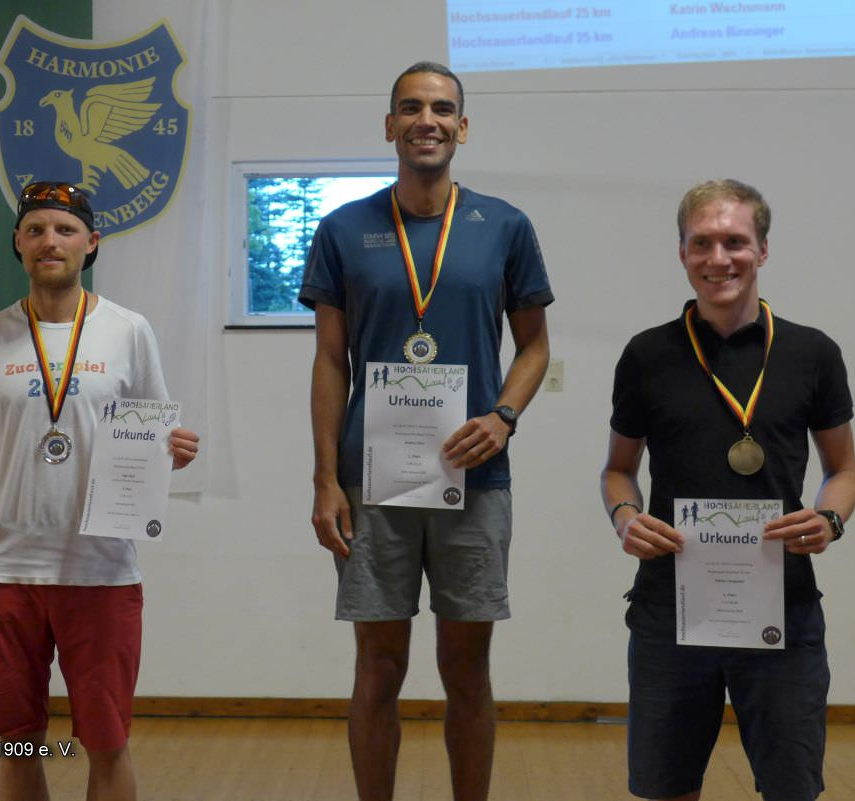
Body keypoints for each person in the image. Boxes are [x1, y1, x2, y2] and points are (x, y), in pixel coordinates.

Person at [299, 61, 553, 801]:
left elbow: (535, 347)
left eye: (442, 109)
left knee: (466, 668)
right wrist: (325, 479)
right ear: (390, 126)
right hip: (371, 480)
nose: (426, 120)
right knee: (378, 667)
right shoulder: (343, 229)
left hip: (474, 477)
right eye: (410, 108)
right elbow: (329, 360)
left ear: (462, 127)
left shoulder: (504, 225)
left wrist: (503, 417)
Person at [0, 181, 199, 801]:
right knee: (17, 746)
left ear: (91, 243)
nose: (49, 241)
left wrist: (174, 452)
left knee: (107, 743)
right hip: (3, 574)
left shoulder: (129, 331)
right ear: (18, 244)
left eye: (64, 229)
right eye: (35, 230)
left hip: (100, 572)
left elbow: (151, 441)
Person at [600, 179, 855, 801]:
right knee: (666, 788)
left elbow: (845, 470)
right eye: (702, 243)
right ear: (682, 253)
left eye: (735, 242)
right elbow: (617, 470)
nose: (719, 258)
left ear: (763, 249)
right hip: (671, 609)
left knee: (791, 789)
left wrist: (829, 519)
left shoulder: (812, 353)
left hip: (782, 608)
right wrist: (626, 517)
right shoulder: (647, 354)